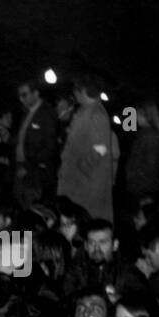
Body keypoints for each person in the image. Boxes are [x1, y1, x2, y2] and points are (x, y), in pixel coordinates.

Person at [58, 74, 117, 224]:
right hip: (79, 183)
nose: (74, 93)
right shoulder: (86, 110)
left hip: (86, 186)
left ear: (83, 91)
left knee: (85, 223)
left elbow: (101, 148)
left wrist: (82, 167)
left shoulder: (96, 114)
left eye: (76, 90)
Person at [13, 79, 59, 209]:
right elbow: (22, 139)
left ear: (36, 93)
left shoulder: (47, 113)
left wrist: (28, 167)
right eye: (20, 96)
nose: (21, 99)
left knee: (31, 207)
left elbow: (49, 147)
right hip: (20, 165)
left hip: (35, 172)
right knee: (19, 204)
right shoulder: (25, 112)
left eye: (25, 94)